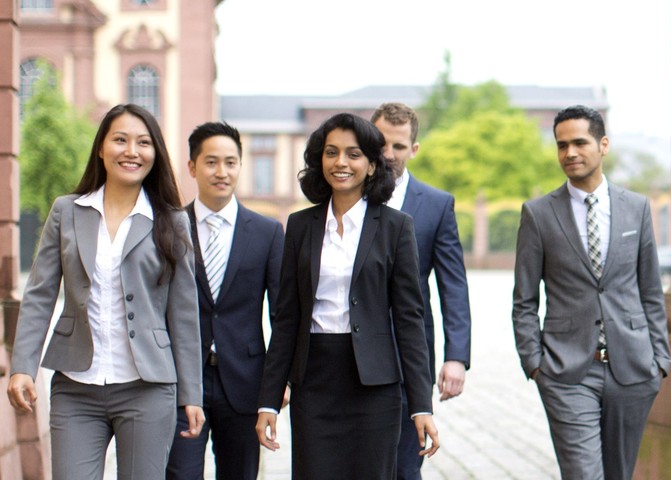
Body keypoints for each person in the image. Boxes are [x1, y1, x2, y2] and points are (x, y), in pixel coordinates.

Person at [6, 103, 204, 480]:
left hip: (148, 388)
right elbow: (40, 294)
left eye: (143, 143)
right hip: (76, 388)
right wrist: (23, 367)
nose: (132, 151)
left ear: (155, 153)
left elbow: (183, 313)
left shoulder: (172, 221)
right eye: (120, 140)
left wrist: (191, 394)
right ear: (101, 148)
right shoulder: (67, 211)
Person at [255, 112, 440, 479]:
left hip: (375, 386)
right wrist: (268, 401)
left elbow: (409, 320)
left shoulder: (395, 227)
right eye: (331, 152)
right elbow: (287, 318)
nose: (341, 162)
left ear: (372, 165)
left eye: (354, 154)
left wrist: (421, 405)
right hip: (315, 383)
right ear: (319, 161)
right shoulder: (300, 226)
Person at [512, 105, 671, 480]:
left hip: (632, 369)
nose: (569, 153)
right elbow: (524, 301)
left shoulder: (636, 208)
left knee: (619, 473)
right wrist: (535, 364)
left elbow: (650, 290)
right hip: (566, 372)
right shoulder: (538, 214)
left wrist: (659, 360)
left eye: (580, 143)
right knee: (584, 475)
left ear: (603, 145)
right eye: (561, 145)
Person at [166, 122, 284, 480]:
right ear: (192, 167)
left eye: (230, 162)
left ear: (240, 166)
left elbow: (281, 315)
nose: (222, 172)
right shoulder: (168, 227)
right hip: (182, 381)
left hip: (245, 383)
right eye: (212, 162)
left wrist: (280, 385)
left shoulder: (267, 232)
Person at [371, 102, 472, 479]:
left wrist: (456, 356)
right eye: (381, 144)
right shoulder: (346, 198)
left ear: (414, 150)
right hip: (347, 354)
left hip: (409, 355)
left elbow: (453, 283)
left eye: (399, 147)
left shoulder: (437, 205)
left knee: (404, 465)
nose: (388, 155)